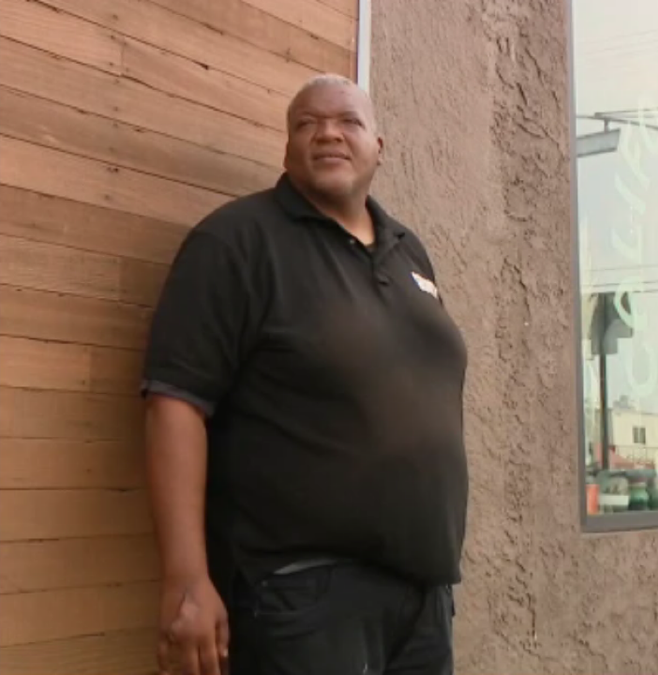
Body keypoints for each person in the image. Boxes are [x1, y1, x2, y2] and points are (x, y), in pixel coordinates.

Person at [143, 74, 468, 675]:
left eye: (348, 121)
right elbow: (176, 402)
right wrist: (187, 579)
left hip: (423, 598)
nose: (327, 134)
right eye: (306, 124)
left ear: (379, 145)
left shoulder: (409, 252)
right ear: (287, 149)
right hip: (303, 598)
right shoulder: (237, 242)